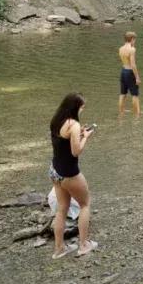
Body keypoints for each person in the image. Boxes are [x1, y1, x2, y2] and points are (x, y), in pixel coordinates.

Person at [49, 93, 98, 258]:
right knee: (85, 204)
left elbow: (64, 141)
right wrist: (86, 138)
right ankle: (84, 245)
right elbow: (75, 152)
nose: (82, 110)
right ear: (75, 107)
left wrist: (79, 134)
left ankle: (59, 249)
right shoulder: (74, 125)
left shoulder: (56, 120)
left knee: (62, 209)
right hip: (70, 173)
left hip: (54, 170)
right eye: (82, 107)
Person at [118, 32, 141, 116]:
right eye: (134, 40)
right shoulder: (132, 49)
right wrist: (137, 77)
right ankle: (137, 114)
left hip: (123, 71)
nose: (135, 42)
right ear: (132, 39)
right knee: (135, 94)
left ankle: (121, 112)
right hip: (130, 72)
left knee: (122, 94)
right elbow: (133, 64)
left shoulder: (120, 48)